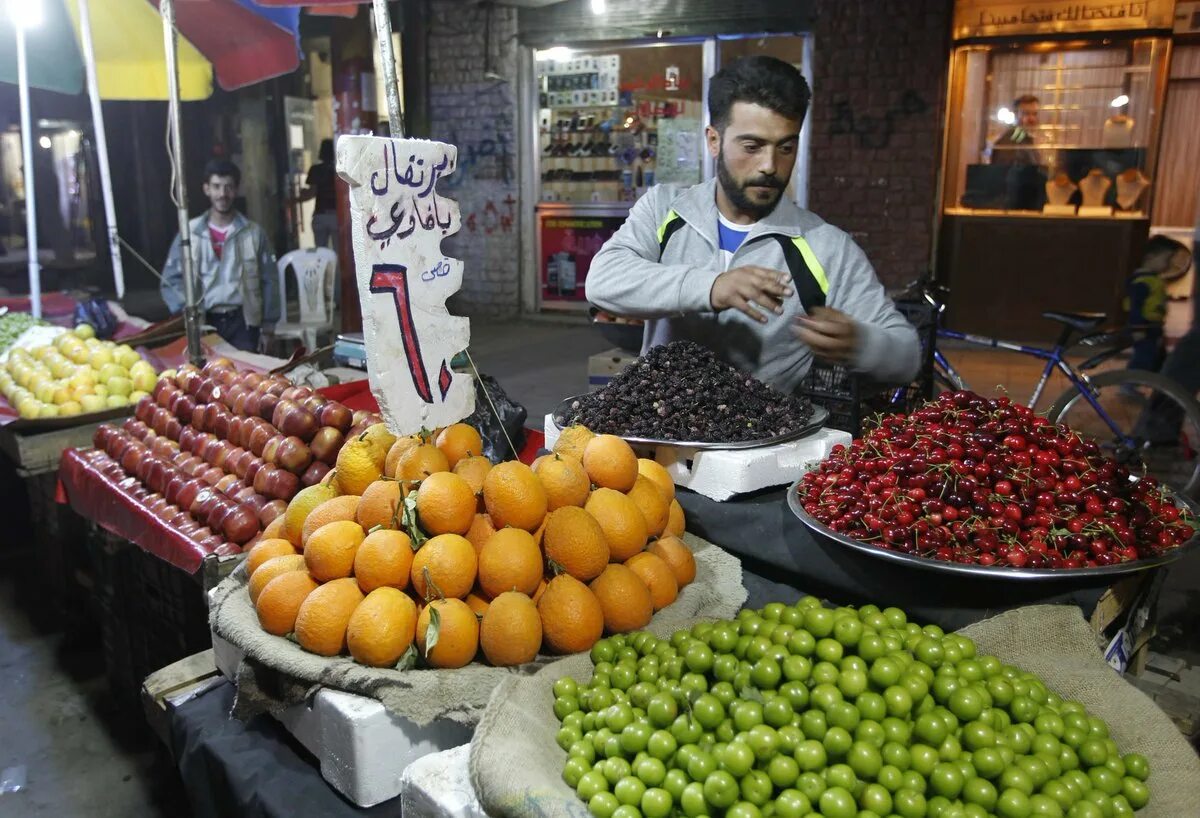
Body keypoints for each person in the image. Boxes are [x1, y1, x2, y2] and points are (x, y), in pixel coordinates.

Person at [586, 56, 920, 394]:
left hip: (763, 440)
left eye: (786, 148)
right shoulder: (666, 209)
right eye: (752, 146)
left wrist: (862, 343)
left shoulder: (826, 247)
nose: (770, 166)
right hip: (659, 430)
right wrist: (712, 287)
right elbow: (603, 280)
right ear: (713, 140)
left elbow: (907, 354)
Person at [160, 158, 277, 352]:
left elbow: (270, 281)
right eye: (216, 187)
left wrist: (269, 327)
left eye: (228, 187)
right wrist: (186, 317)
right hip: (204, 324)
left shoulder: (253, 233)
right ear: (206, 189)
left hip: (244, 324)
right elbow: (170, 280)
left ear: (237, 189)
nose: (223, 194)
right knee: (208, 377)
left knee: (245, 377)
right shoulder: (189, 234)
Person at [295, 139, 338, 248]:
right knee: (339, 252)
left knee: (321, 254)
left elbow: (311, 193)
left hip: (320, 215)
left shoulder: (315, 170)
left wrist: (295, 199)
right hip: (337, 216)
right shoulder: (340, 169)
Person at [991, 94, 1040, 167]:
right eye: (1026, 113)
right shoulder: (1010, 143)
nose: (1032, 119)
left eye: (1035, 114)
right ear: (1015, 115)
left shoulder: (1024, 139)